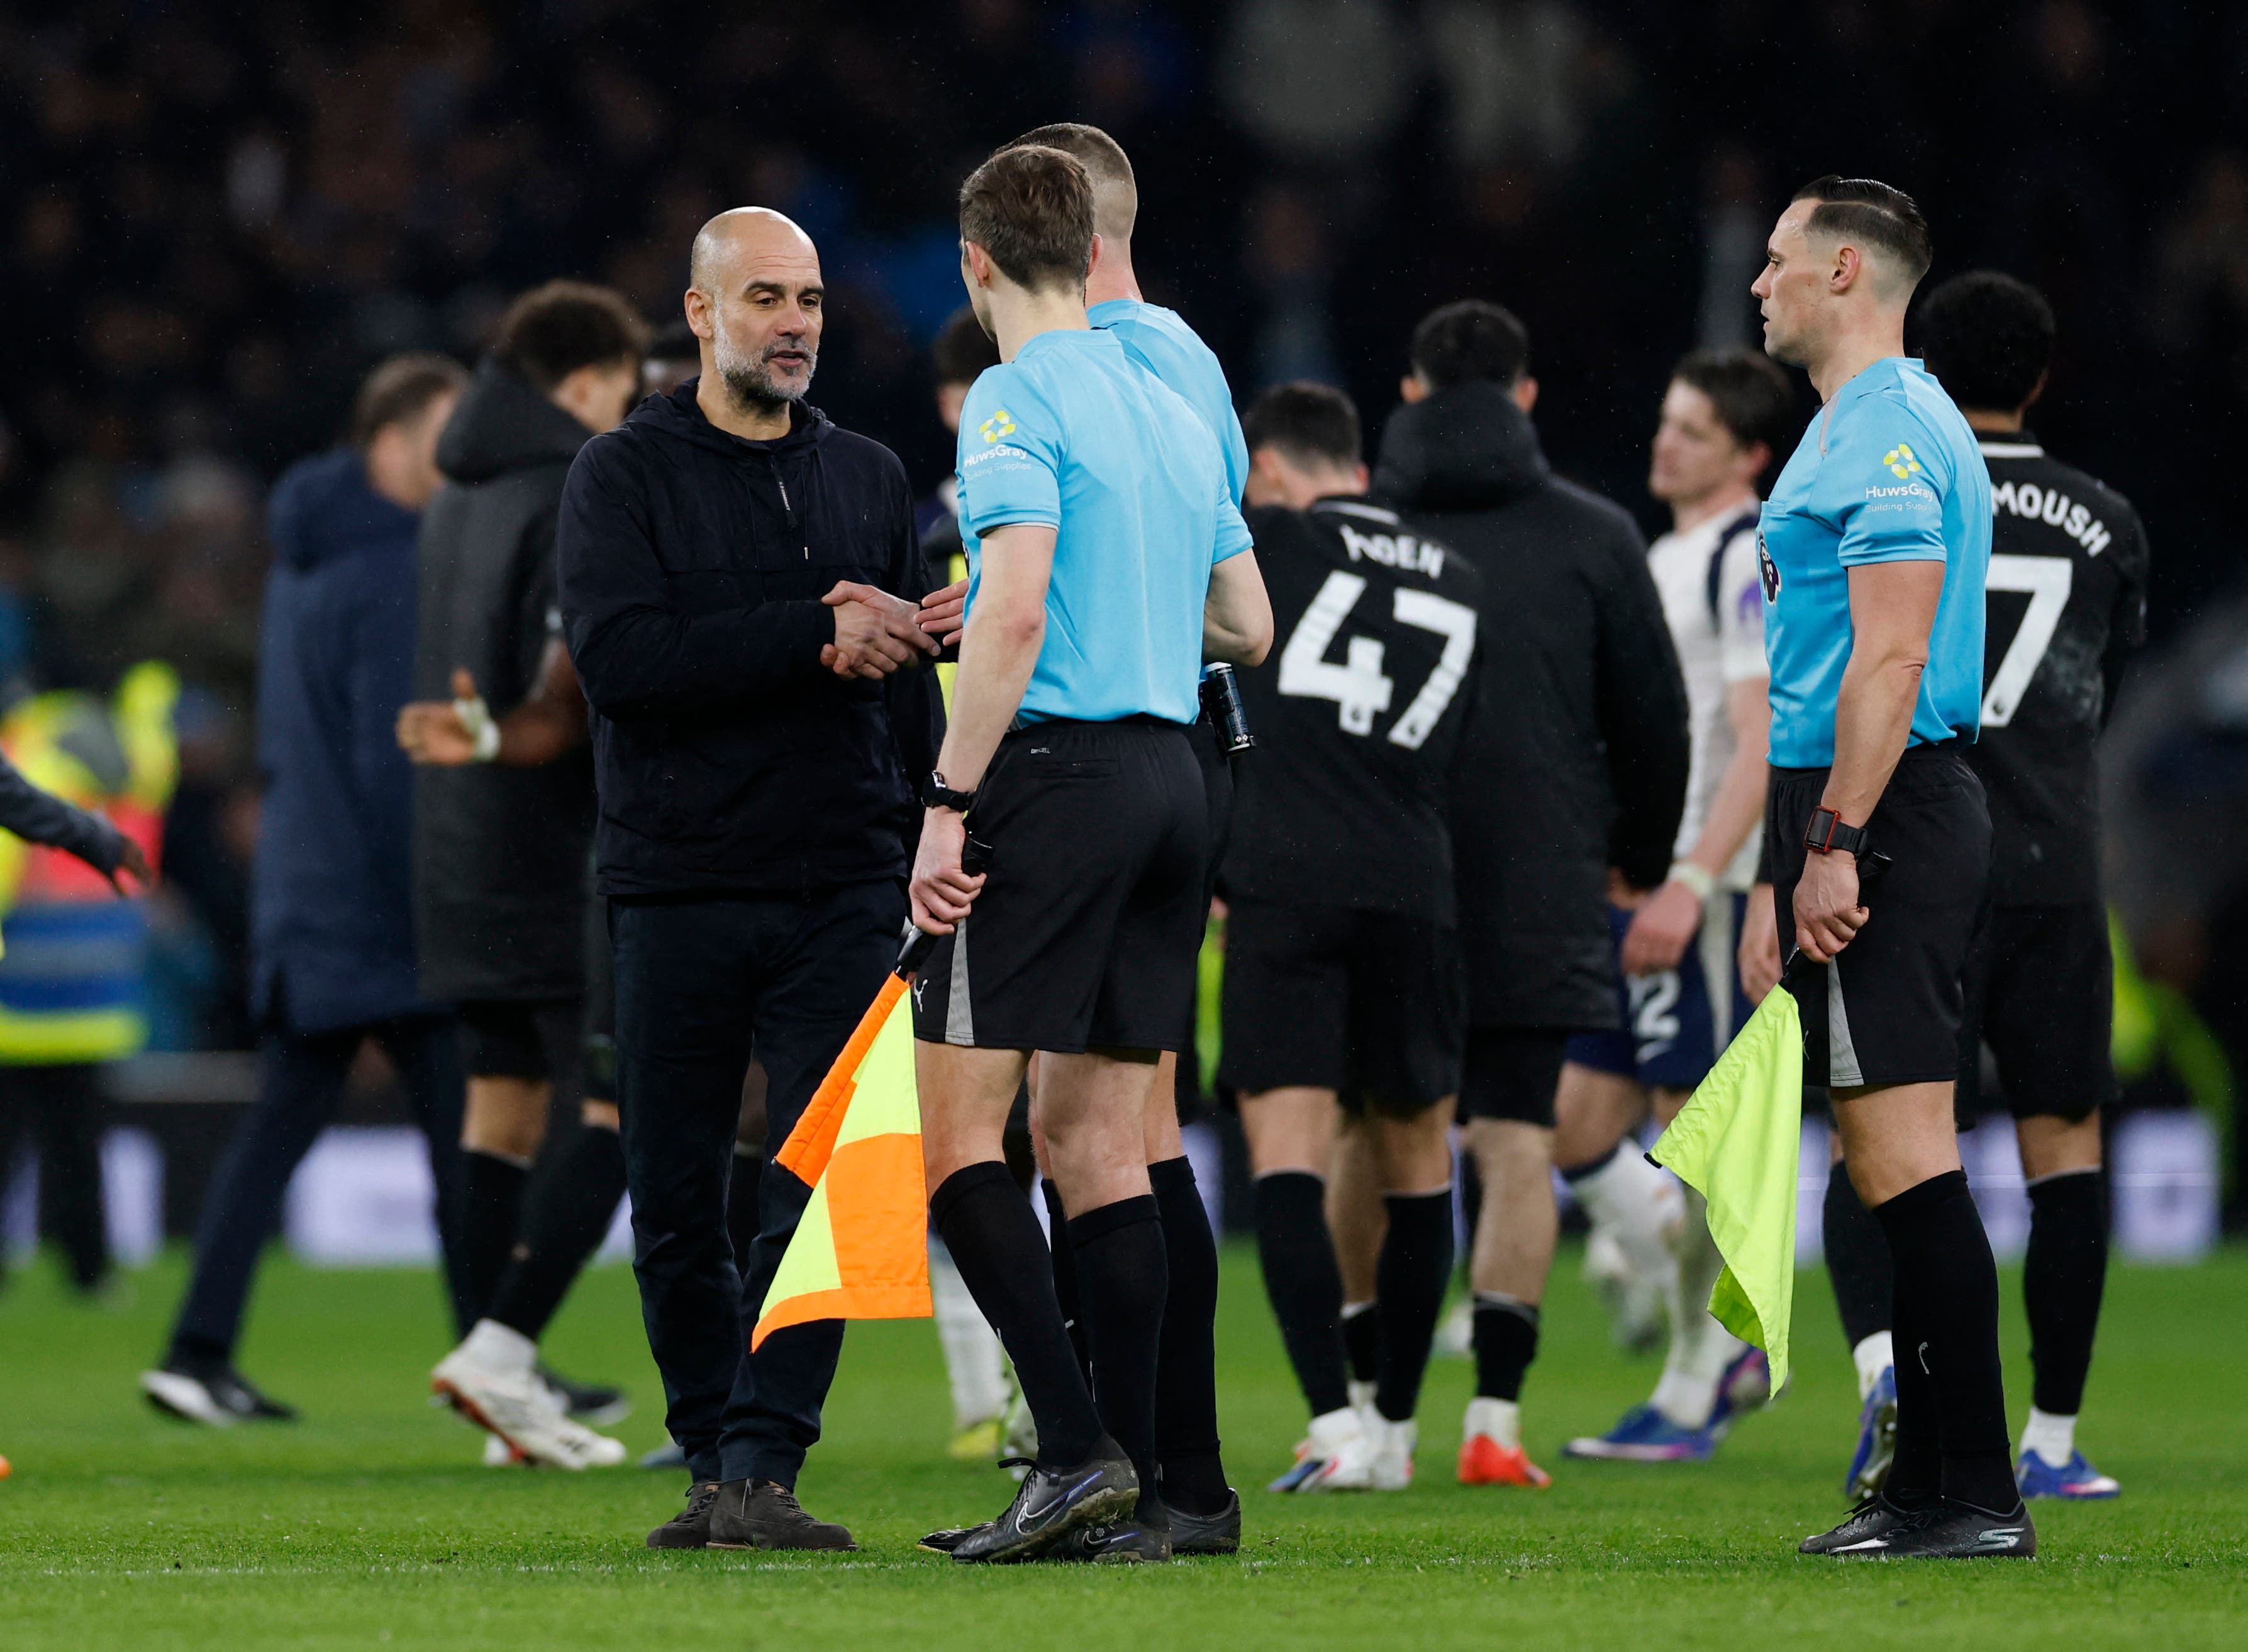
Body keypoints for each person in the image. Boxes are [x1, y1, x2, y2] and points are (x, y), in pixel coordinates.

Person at [559, 206, 943, 1551]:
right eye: (766, 298)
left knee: (832, 1180)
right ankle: (707, 1446)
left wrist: (940, 818)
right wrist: (814, 630)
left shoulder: (873, 476)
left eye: (813, 301)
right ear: (702, 313)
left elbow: (895, 696)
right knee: (671, 1188)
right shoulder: (619, 473)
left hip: (843, 873)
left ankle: (762, 1461)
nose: (795, 324)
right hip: (674, 881)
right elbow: (623, 666)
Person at [908, 143, 1269, 1566]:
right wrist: (1114, 624)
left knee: (957, 1147)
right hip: (1173, 776)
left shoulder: (1010, 396)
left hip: (1052, 782)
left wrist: (947, 797)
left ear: (977, 262)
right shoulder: (1169, 397)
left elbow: (1006, 615)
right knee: (1099, 1144)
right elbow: (1243, 619)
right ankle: (1174, 1486)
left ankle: (1069, 1451)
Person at [1803, 270, 2147, 1505]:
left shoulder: (1905, 474)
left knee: (1878, 1138)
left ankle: (1890, 1385)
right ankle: (2050, 1428)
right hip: (2051, 861)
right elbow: (2101, 682)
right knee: (2062, 1151)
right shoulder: (2103, 515)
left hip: (1918, 840)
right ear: (2042, 375)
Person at [1750, 177, 2028, 1560]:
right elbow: (1813, 668)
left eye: (1777, 258)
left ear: (1843, 270)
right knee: (1882, 1158)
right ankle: (1932, 1476)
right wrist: (1775, 859)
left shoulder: (1890, 431)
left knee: (1905, 1155)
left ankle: (1966, 1487)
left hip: (1889, 805)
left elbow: (1891, 656)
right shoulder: (1847, 426)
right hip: (1853, 798)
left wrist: (1836, 840)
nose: (1758, 281)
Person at [1367, 300, 1689, 1489]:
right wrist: (1640, 854)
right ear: (1526, 397)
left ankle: (1366, 1416)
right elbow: (1652, 722)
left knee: (1377, 1130)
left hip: (1379, 873)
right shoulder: (1594, 534)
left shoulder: (1357, 530)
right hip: (1538, 871)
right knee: (1514, 1137)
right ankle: (1492, 1419)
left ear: (1406, 397)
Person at [136, 357, 469, 1423]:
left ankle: (198, 1349)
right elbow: (390, 758)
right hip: (376, 901)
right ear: (394, 432)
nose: (460, 456)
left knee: (291, 1122)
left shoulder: (306, 554)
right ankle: (495, 1365)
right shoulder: (390, 565)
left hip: (307, 885)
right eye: (447, 431)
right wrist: (438, 894)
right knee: (466, 1126)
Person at [1219, 382, 1481, 1494]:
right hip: (1411, 883)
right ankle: (1395, 1424)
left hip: (1283, 878)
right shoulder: (1459, 576)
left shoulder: (1266, 539)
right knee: (1417, 1154)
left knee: (1287, 1149)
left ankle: (1330, 1421)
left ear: (1271, 469)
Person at [410, 281, 647, 1468]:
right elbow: (561, 688)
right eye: (620, 383)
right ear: (583, 381)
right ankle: (506, 1352)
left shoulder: (453, 496)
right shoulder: (566, 487)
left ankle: (493, 1370)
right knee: (611, 1105)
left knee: (497, 1107)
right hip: (548, 851)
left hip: (453, 846)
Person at [1554, 348, 1797, 1464]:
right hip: (1646, 873)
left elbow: (1757, 734)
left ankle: (1699, 1378)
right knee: (1579, 1120)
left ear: (1747, 454)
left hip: (1700, 887)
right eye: (1662, 420)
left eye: (1691, 430)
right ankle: (1681, 1294)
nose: (1663, 443)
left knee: (1696, 1125)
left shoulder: (1744, 556)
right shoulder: (1667, 551)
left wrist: (1695, 876)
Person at [0, 662, 176, 1302]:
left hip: (14, 1000)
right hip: (98, 994)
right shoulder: (129, 752)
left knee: (6, 1145)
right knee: (78, 1146)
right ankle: (90, 1269)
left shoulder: (26, 751)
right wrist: (153, 692)